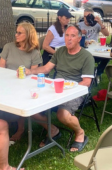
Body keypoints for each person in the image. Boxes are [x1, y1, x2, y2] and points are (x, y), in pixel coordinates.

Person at [21, 24, 95, 153]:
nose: (69, 39)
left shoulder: (86, 56)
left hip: (75, 91)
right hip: (55, 88)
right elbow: (46, 69)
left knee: (63, 115)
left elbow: (87, 82)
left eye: (73, 36)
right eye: (67, 35)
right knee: (30, 109)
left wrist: (69, 89)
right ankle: (53, 131)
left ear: (79, 38)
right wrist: (30, 71)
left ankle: (80, 133)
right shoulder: (60, 51)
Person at [0, 23, 42, 141]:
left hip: (24, 83)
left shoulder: (34, 52)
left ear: (28, 35)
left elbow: (33, 72)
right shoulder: (8, 46)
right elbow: (1, 68)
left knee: (22, 98)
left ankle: (20, 129)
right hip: (6, 81)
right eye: (16, 32)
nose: (16, 35)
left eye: (19, 33)